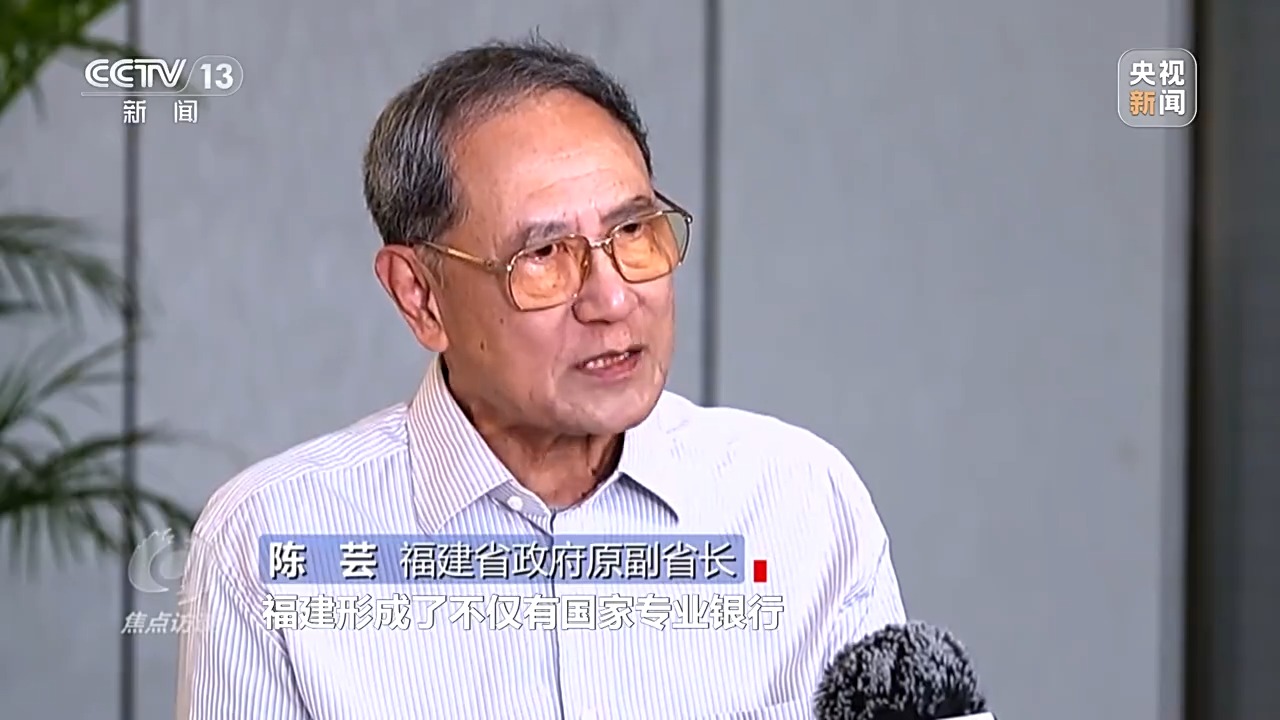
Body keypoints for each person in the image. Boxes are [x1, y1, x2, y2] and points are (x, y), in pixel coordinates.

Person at [175, 38, 905, 720]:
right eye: (544, 254)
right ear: (420, 297)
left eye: (633, 232)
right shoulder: (267, 543)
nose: (612, 298)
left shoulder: (803, 503)